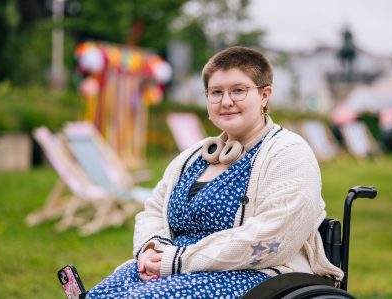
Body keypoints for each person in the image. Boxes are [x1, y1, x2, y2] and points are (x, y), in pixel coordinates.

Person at [86, 46, 343, 299]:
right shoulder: (194, 155)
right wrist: (152, 248)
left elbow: (273, 239)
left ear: (265, 95)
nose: (226, 101)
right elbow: (154, 209)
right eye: (216, 92)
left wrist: (176, 260)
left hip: (255, 274)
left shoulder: (289, 153)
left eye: (239, 90)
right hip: (175, 266)